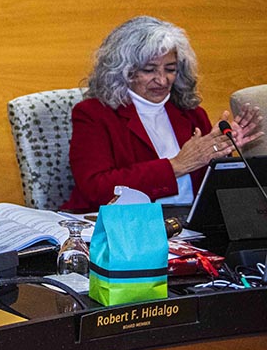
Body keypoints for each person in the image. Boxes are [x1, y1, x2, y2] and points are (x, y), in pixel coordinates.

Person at [63, 16, 262, 211]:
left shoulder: (191, 113)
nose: (162, 80)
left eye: (170, 69)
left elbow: (212, 194)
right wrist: (176, 165)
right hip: (123, 225)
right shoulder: (94, 114)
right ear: (124, 71)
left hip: (188, 225)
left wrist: (223, 152)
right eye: (149, 70)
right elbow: (96, 188)